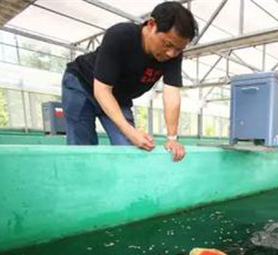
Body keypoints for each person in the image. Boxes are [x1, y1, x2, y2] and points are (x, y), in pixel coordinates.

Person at [62, 2, 197, 161]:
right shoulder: (121, 35)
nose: (171, 53)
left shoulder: (173, 55)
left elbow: (172, 93)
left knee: (130, 147)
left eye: (178, 49)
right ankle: (83, 183)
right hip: (83, 84)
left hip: (119, 97)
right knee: (82, 147)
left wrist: (173, 138)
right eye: (167, 44)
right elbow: (102, 90)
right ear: (151, 24)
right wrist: (130, 131)